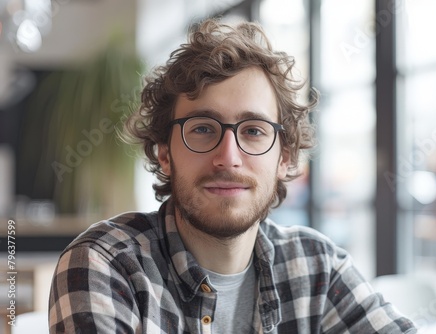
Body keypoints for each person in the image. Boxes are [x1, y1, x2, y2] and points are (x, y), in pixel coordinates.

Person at [49, 18, 417, 333]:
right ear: (164, 153)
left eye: (254, 131)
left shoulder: (318, 266)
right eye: (203, 129)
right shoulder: (106, 264)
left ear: (285, 158)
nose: (228, 158)